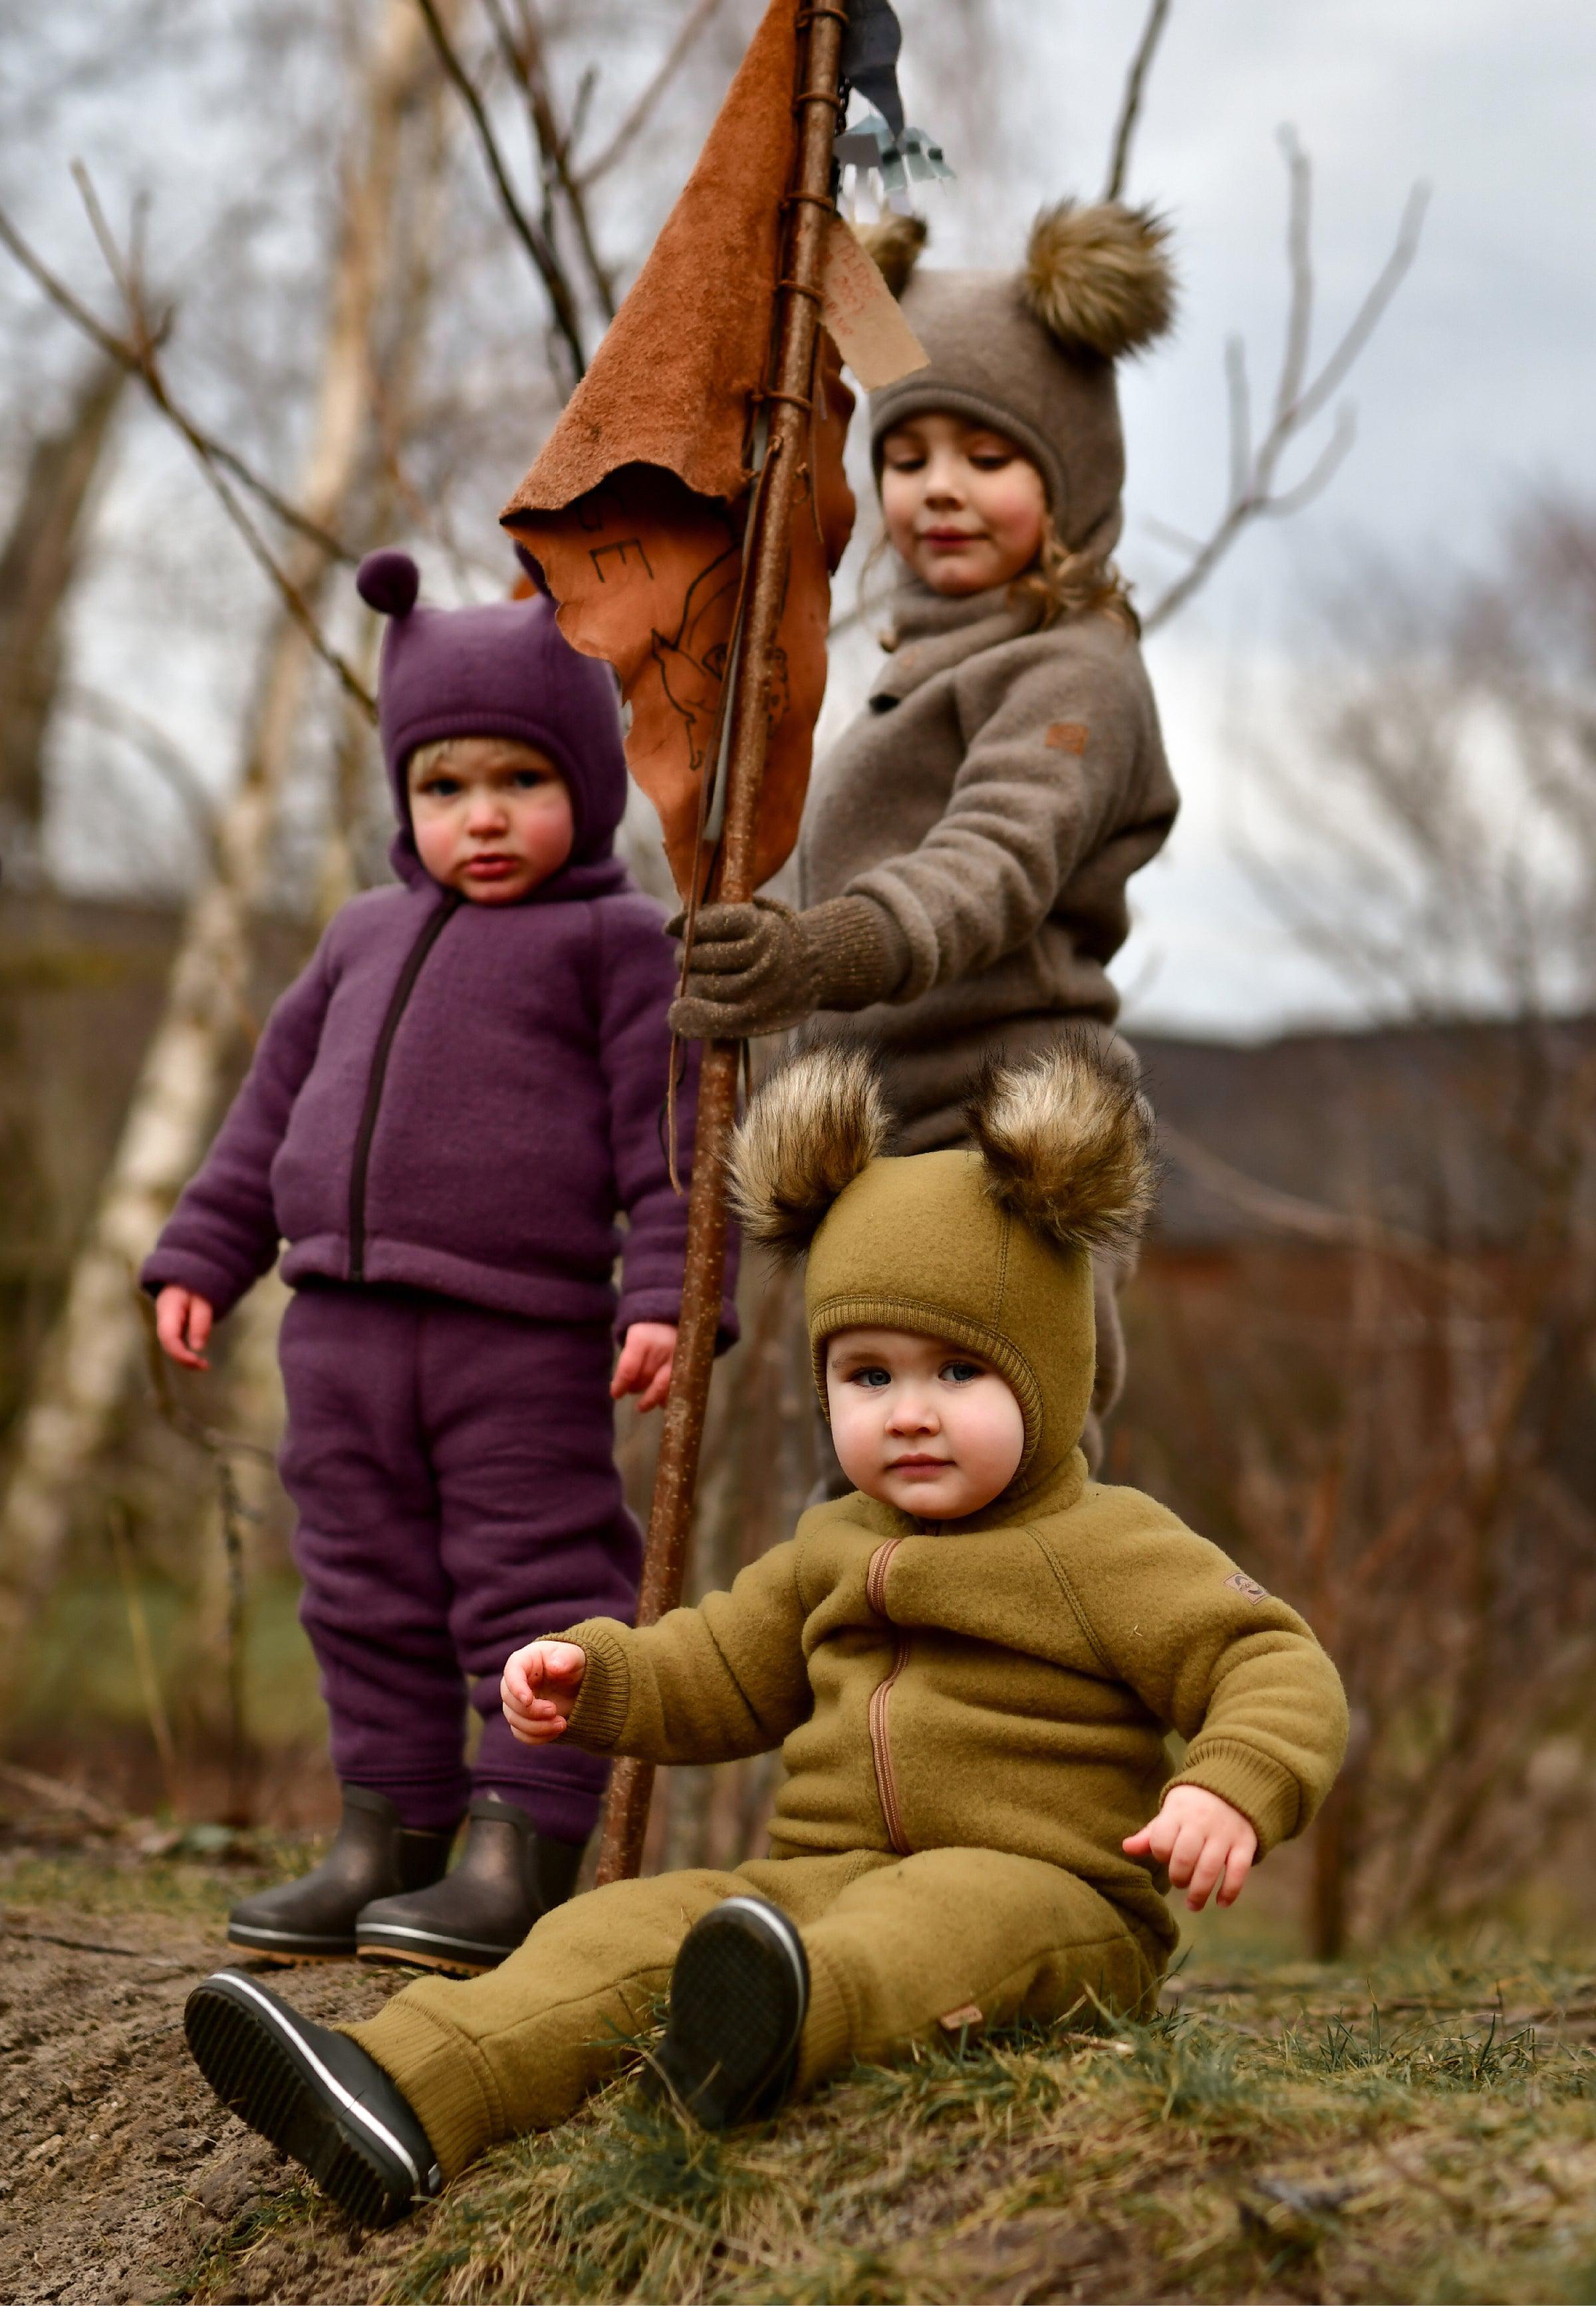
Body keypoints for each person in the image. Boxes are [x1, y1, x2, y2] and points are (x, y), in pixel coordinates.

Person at [181, 1036, 1347, 2228]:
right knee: (621, 1929)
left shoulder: (1111, 1545)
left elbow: (1269, 1659)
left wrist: (1231, 1785)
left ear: (1048, 1366)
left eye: (957, 1371)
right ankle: (406, 2087)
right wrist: (600, 1676)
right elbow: (720, 1668)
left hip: (1055, 1897)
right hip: (811, 1882)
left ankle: (774, 2037)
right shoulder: (829, 1546)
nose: (911, 1415)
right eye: (868, 1376)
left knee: (936, 1924)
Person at [142, 549, 733, 1973]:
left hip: (517, 1334)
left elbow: (670, 1151)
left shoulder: (615, 945)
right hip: (335, 1333)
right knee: (358, 1585)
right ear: (405, 797)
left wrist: (668, 1297)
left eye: (519, 782)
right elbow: (265, 1113)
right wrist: (205, 1253)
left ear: (584, 786)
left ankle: (518, 1840)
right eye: (444, 787)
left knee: (528, 1578)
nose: (479, 819)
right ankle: (384, 1836)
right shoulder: (358, 935)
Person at [670, 199, 1181, 1471]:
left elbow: (993, 869)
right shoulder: (908, 671)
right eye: (909, 458)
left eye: (989, 457)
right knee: (873, 1505)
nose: (940, 489)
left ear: (1071, 479)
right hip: (875, 1155)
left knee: (1016, 1485)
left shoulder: (1077, 672)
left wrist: (818, 955)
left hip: (1005, 1147)